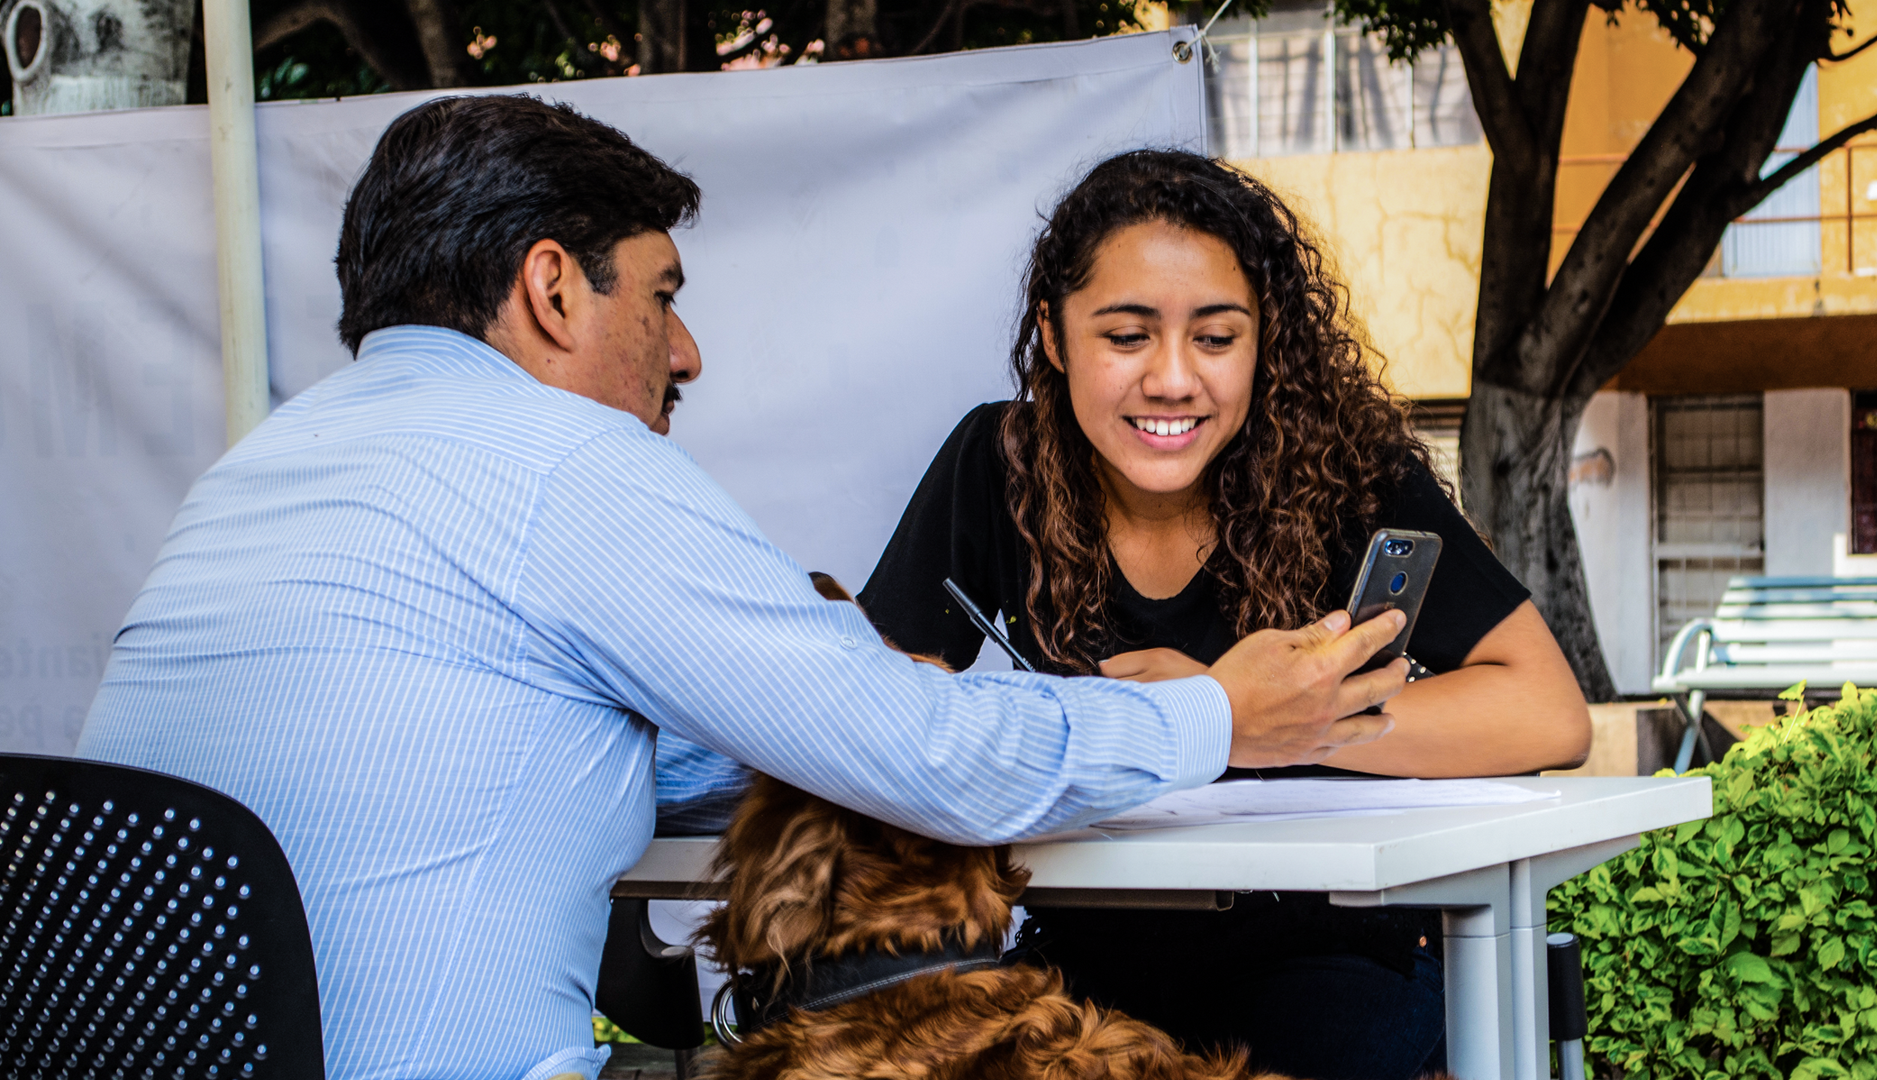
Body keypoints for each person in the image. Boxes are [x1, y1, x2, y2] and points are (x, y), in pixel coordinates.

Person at [76, 100, 1413, 1080]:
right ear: (552, 288)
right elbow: (925, 762)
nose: (689, 349)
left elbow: (532, 749)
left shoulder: (257, 472)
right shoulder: (562, 460)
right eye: (661, 295)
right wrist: (1220, 720)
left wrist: (818, 725)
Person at [857, 149, 1592, 1080]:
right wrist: (1166, 724)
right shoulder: (993, 464)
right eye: (1126, 337)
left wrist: (1265, 722)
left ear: (1265, 339)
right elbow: (880, 707)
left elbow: (1547, 712)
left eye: (1216, 338)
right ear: (1053, 334)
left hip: (1327, 958)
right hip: (1086, 966)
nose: (1174, 381)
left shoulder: (1350, 474)